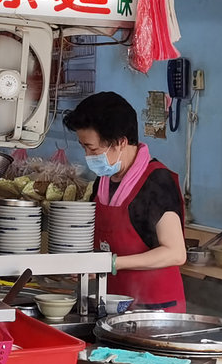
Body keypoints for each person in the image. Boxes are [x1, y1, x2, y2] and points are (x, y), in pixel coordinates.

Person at [63, 91, 187, 312]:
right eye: (83, 147)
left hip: (155, 311)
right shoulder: (103, 182)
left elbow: (176, 252)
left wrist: (111, 263)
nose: (87, 156)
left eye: (92, 148)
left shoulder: (156, 182)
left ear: (120, 142)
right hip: (115, 304)